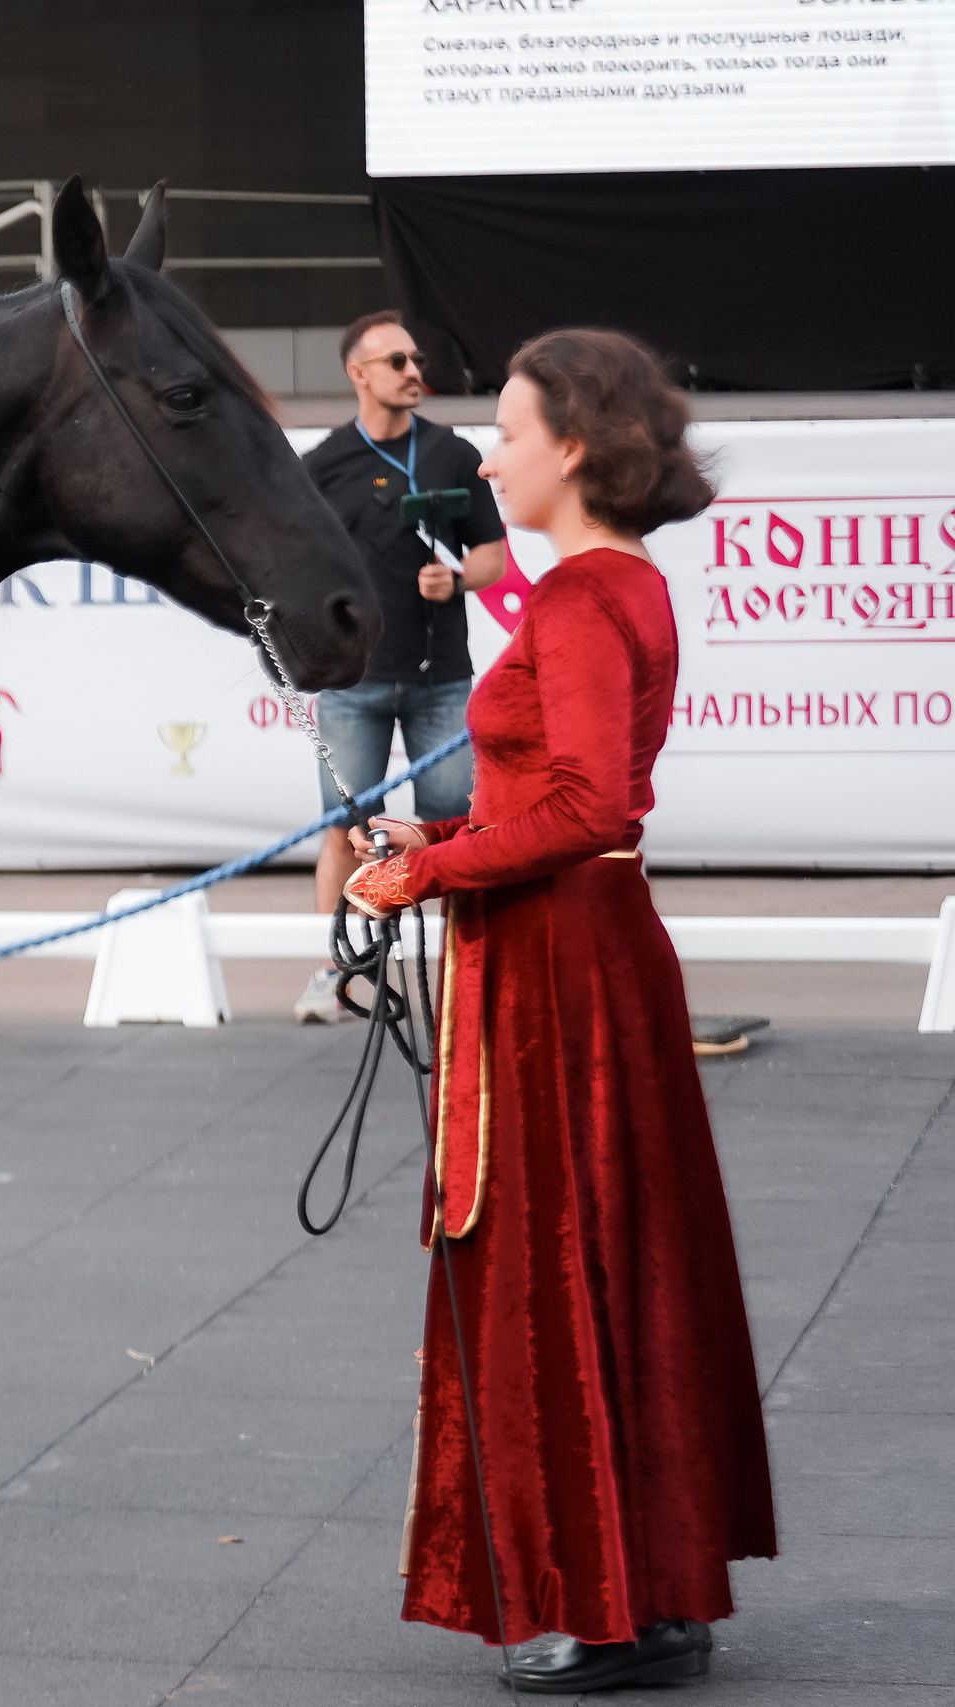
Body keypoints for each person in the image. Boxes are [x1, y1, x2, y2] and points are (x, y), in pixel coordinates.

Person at [343, 328, 776, 1694]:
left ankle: (603, 1604)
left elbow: (592, 802)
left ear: (576, 449)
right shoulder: (612, 585)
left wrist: (425, 863)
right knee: (616, 1251)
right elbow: (570, 799)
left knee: (554, 1259)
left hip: (560, 963)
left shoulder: (586, 598)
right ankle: (642, 1591)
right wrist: (457, 826)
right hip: (588, 942)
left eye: (514, 432)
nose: (492, 454)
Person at [293, 310, 508, 1023]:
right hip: (352, 681)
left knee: (458, 825)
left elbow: (492, 555)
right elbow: (293, 564)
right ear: (358, 374)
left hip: (442, 677)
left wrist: (459, 579)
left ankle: (469, 978)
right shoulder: (322, 465)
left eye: (416, 359)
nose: (415, 372)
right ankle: (336, 972)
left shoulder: (452, 453)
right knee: (344, 828)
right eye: (397, 362)